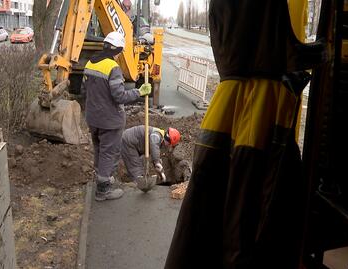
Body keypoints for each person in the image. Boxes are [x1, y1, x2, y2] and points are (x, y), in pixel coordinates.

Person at [165, 0, 326, 268]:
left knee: (208, 215)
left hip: (225, 111)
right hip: (260, 114)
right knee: (246, 219)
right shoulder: (261, 93)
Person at [81, 31, 152, 202]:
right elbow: (120, 96)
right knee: (109, 153)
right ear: (117, 49)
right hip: (110, 121)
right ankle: (103, 190)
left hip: (93, 118)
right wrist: (139, 91)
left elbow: (83, 91)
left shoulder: (91, 63)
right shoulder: (113, 68)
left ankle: (101, 179)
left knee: (99, 149)